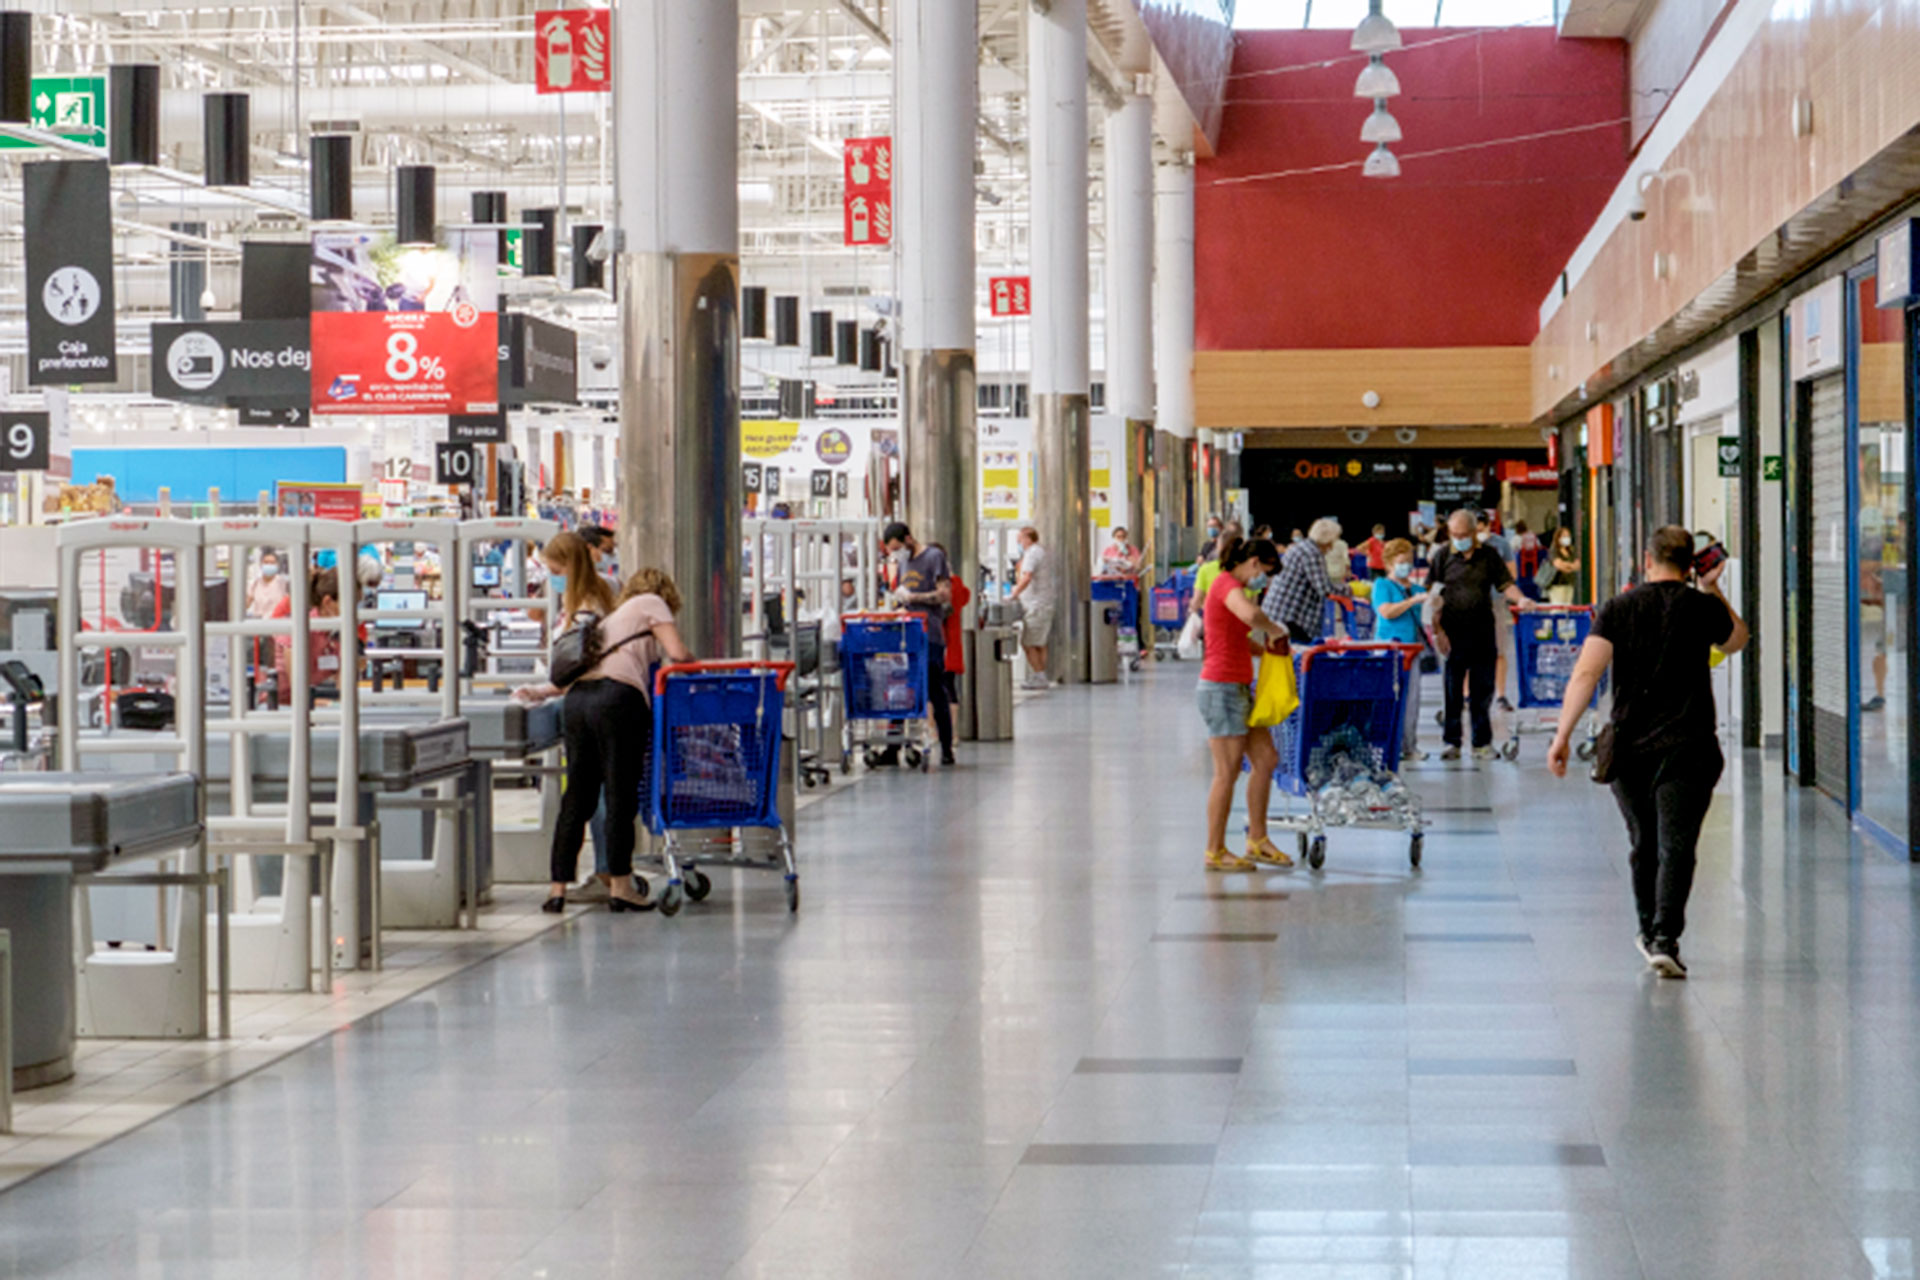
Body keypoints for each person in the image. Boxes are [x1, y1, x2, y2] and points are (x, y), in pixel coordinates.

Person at [1549, 526, 1748, 979]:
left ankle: (1648, 930)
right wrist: (1712, 588)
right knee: (1678, 845)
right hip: (1690, 745)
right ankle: (1664, 938)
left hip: (1630, 748)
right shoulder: (1701, 607)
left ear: (1647, 559)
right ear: (1690, 562)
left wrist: (1562, 735)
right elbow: (1736, 640)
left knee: (1645, 843)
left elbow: (1586, 673)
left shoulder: (1619, 608)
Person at [531, 566, 696, 915]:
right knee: (620, 794)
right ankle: (621, 886)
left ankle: (557, 888)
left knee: (577, 795)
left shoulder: (612, 619)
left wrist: (539, 692)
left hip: (578, 703)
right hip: (618, 702)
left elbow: (578, 670)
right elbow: (678, 654)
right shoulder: (652, 602)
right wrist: (701, 667)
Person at [1196, 538, 1292, 872]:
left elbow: (1238, 638)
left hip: (1239, 687)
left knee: (1266, 759)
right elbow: (1250, 615)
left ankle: (1257, 839)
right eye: (1264, 572)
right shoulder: (1226, 585)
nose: (1262, 580)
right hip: (1219, 689)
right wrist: (1274, 629)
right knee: (1228, 771)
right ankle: (1215, 849)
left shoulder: (1236, 588)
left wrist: (1270, 652)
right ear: (1252, 562)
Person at [1431, 509, 1531, 760]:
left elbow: (1505, 585)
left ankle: (1481, 743)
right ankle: (1452, 741)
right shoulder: (1442, 556)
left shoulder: (1489, 556)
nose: (1458, 538)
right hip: (1452, 632)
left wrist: (1522, 599)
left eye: (1463, 534)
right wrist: (1437, 630)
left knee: (1482, 690)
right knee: (1453, 690)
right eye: (1454, 534)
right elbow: (1432, 596)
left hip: (1482, 630)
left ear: (1475, 533)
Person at [882, 521, 956, 765]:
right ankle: (892, 748)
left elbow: (944, 594)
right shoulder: (903, 563)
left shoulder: (933, 557)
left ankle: (946, 748)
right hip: (906, 635)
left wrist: (915, 597)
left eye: (898, 547)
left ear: (908, 539)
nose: (896, 554)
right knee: (898, 691)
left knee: (935, 690)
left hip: (930, 635)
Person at [1370, 539, 1430, 761]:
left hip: (1411, 651)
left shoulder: (1417, 588)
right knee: (1387, 698)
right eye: (1401, 562)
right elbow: (1386, 612)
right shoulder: (1382, 586)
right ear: (1388, 564)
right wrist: (1413, 601)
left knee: (1411, 699)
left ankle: (1409, 745)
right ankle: (1385, 745)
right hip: (1387, 650)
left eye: (1409, 561)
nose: (1407, 566)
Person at [1262, 517, 1342, 643]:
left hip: (1276, 613)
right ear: (1326, 539)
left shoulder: (1301, 547)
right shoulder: (1312, 553)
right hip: (1290, 618)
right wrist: (1350, 590)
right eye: (1332, 541)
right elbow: (1324, 588)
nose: (1332, 546)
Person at [1478, 512, 1519, 711]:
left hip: (1495, 602)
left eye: (1480, 529)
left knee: (1499, 650)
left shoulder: (1501, 545)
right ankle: (1468, 695)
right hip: (1469, 605)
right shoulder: (1461, 545)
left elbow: (1512, 574)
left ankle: (1500, 694)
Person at [1010, 526, 1055, 690]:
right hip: (1042, 604)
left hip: (1036, 605)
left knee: (1028, 643)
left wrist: (1014, 593)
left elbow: (1027, 576)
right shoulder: (1038, 552)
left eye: (1020, 539)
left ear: (1028, 538)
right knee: (1039, 643)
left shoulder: (1032, 554)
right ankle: (1040, 674)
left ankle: (1039, 675)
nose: (1019, 543)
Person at [1189, 524, 1244, 619]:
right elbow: (1252, 604)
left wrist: (1192, 609)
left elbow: (1196, 602)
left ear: (1219, 547)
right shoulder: (1246, 570)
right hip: (1242, 628)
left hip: (1213, 623)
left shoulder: (1206, 569)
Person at [248, 550, 288, 619]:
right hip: (259, 623)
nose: (269, 565)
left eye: (272, 563)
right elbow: (245, 605)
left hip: (278, 623)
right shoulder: (255, 583)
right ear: (261, 564)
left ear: (277, 565)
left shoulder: (283, 583)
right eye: (266, 562)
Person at [1548, 528, 1579, 605]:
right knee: (1558, 608)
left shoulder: (1571, 550)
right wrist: (1571, 566)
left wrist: (1566, 565)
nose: (1567, 538)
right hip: (1557, 585)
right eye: (1564, 536)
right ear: (1558, 538)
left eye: (1568, 536)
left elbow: (1577, 565)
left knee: (1567, 608)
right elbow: (1558, 564)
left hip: (1569, 584)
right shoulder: (1554, 550)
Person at [1324, 523, 1352, 588]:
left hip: (1328, 572)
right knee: (1338, 591)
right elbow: (1346, 559)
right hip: (1338, 572)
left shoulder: (1324, 543)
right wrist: (1348, 570)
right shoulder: (1343, 544)